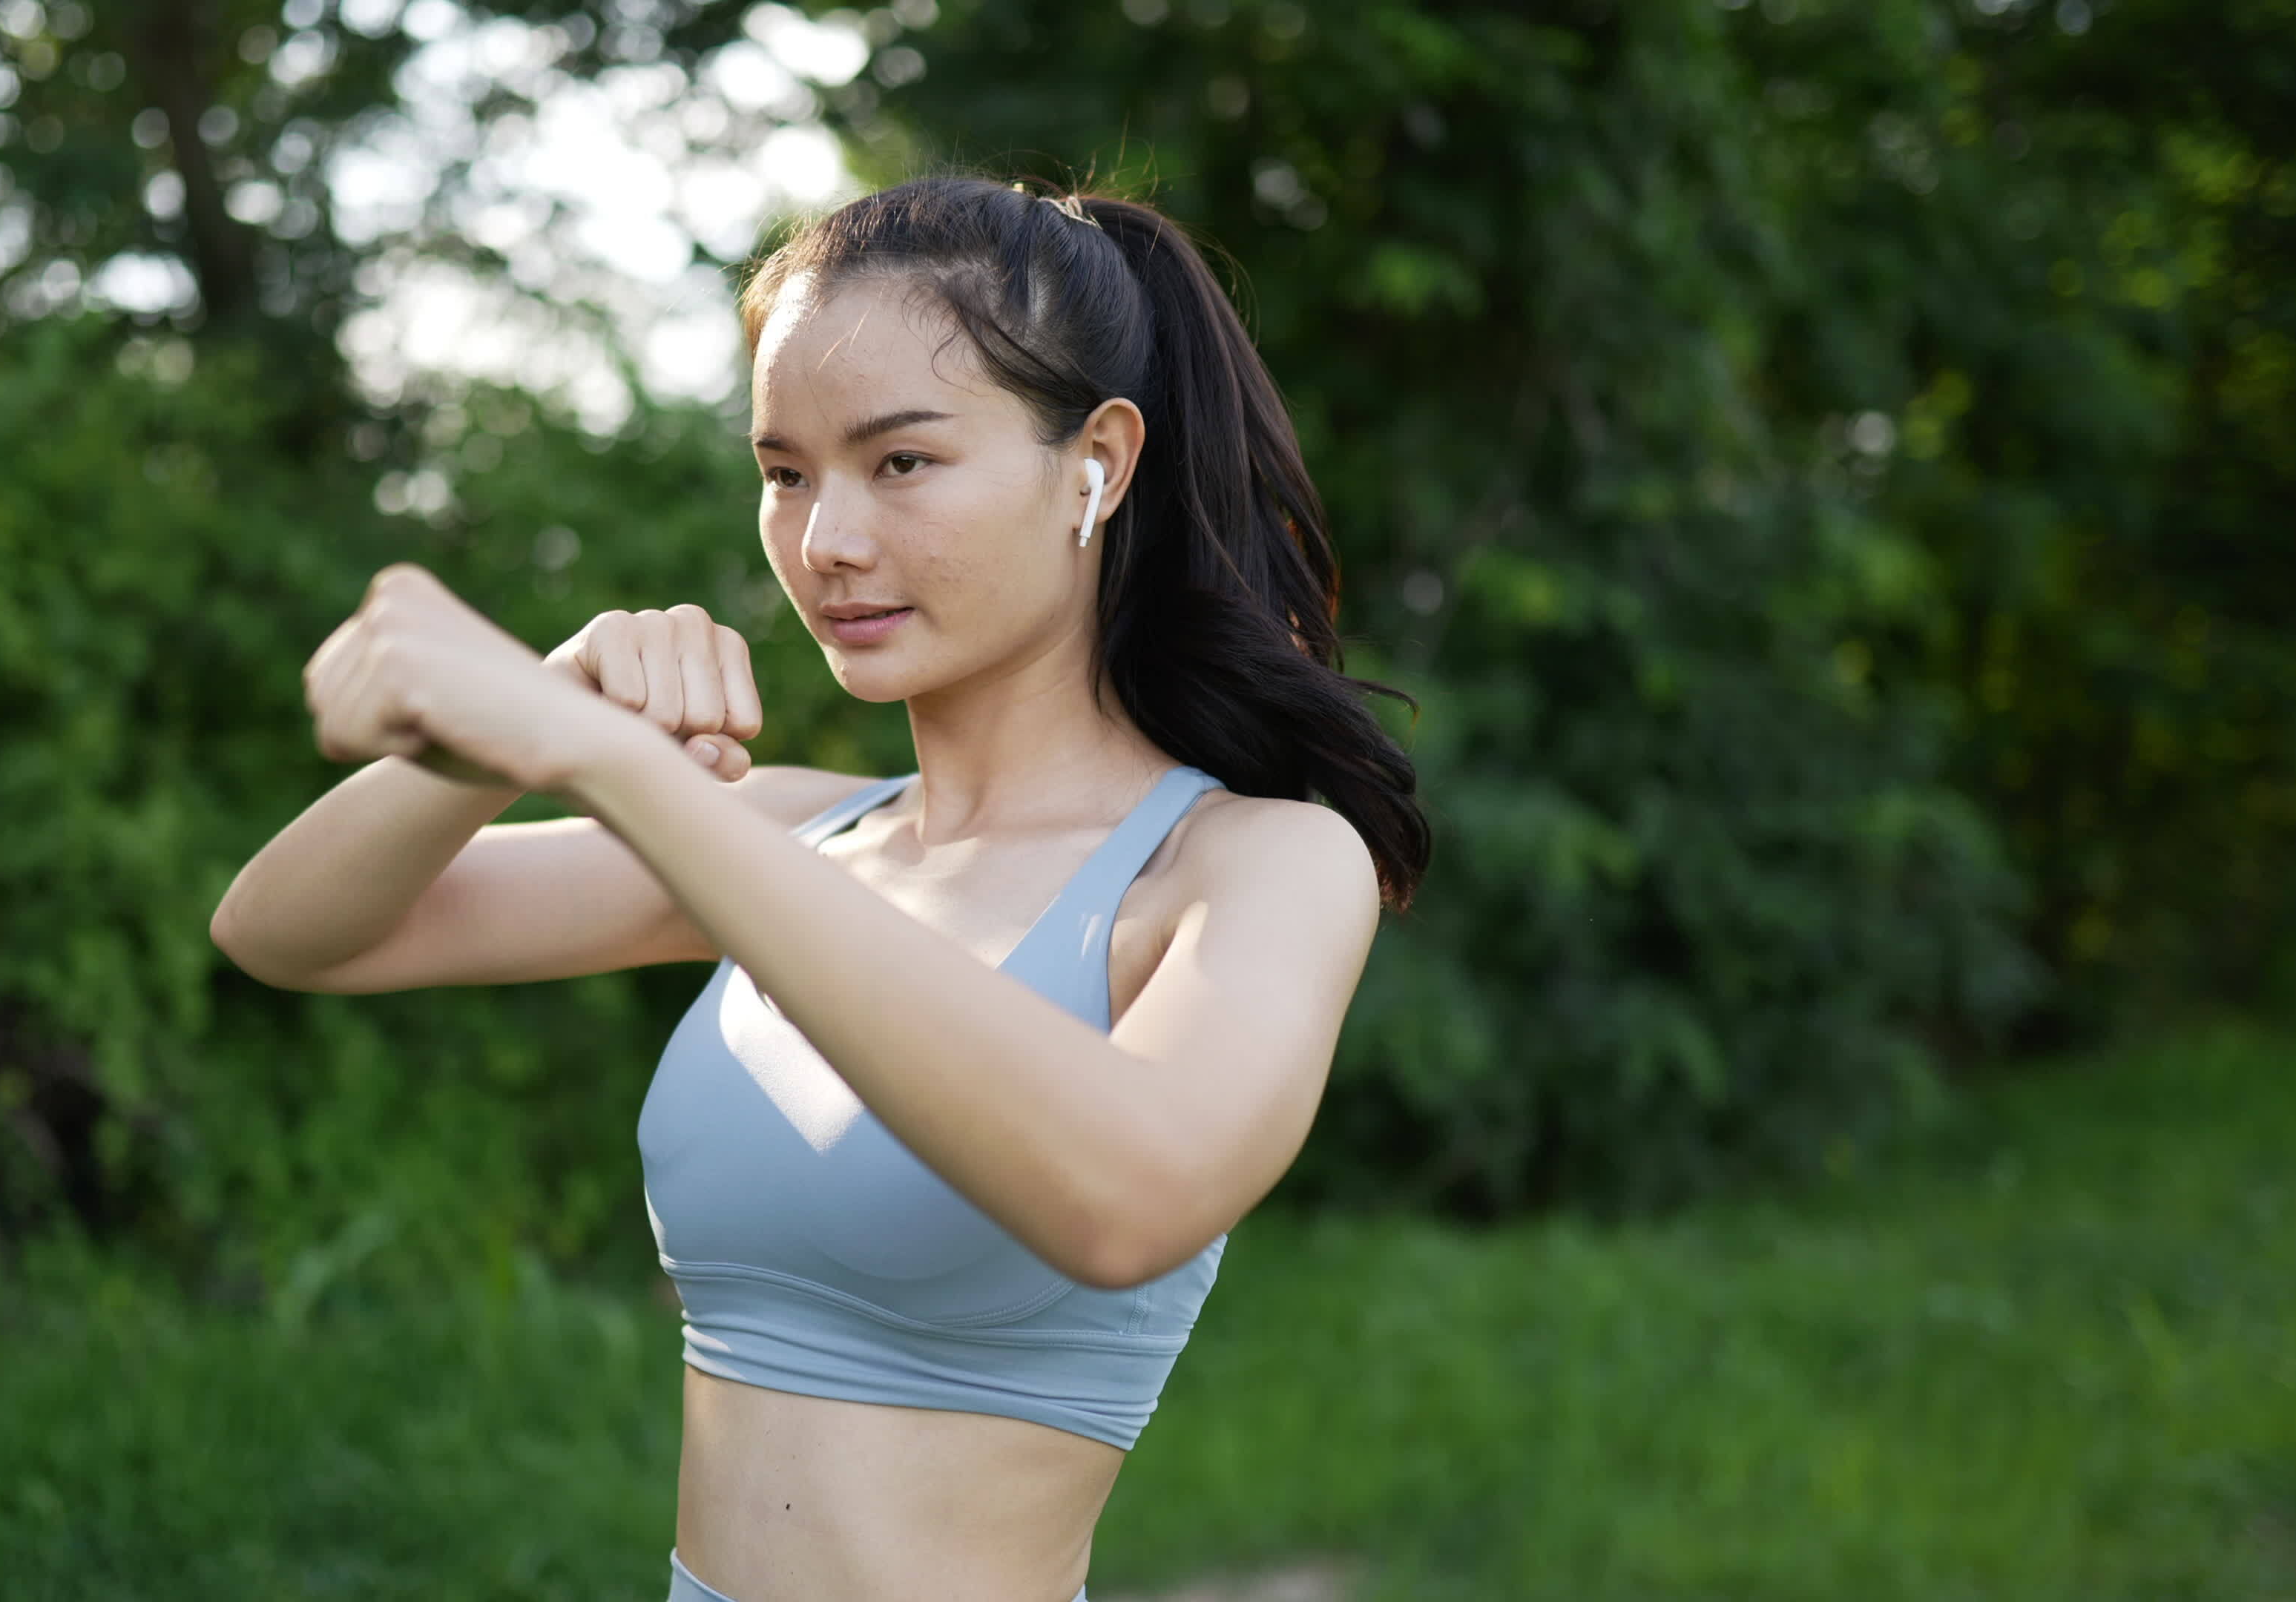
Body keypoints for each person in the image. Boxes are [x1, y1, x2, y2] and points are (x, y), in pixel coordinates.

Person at [209, 171, 1429, 1602]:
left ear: (1095, 462)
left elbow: (1128, 1200)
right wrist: (511, 729)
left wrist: (617, 769)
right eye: (786, 473)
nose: (826, 542)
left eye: (900, 461)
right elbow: (286, 931)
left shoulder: (1253, 861)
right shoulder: (793, 837)